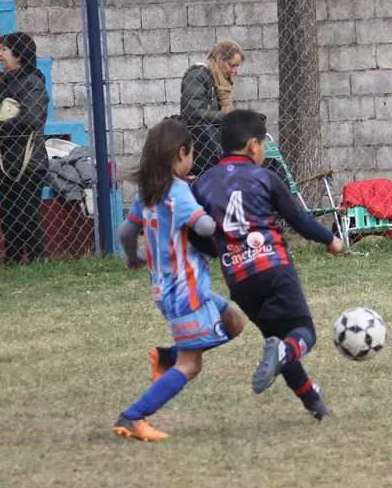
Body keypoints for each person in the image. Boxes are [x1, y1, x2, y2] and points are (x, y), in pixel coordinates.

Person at [192, 110, 343, 418]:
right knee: (302, 333)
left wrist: (221, 248)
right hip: (273, 268)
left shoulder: (203, 184)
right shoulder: (265, 177)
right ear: (252, 146)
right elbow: (298, 219)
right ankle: (288, 357)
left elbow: (193, 234)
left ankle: (313, 402)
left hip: (240, 280)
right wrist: (330, 239)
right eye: (262, 145)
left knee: (278, 340)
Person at [112, 119, 246, 442]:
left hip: (174, 288)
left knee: (234, 321)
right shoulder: (178, 191)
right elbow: (202, 227)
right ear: (181, 153)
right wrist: (232, 228)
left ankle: (168, 356)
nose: (193, 162)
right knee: (192, 365)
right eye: (192, 155)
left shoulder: (148, 191)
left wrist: (133, 258)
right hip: (184, 292)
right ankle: (133, 416)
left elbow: (126, 231)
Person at [0, 32, 49, 265]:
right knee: (8, 215)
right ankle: (13, 262)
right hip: (7, 163)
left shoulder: (33, 81)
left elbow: (33, 119)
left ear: (19, 55)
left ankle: (38, 261)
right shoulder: (6, 82)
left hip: (29, 164)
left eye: (4, 49)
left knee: (27, 215)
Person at [180, 40, 243, 177]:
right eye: (231, 65)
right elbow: (193, 112)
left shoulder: (220, 82)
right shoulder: (198, 74)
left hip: (213, 143)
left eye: (236, 66)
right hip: (200, 146)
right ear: (219, 58)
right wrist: (227, 117)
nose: (234, 71)